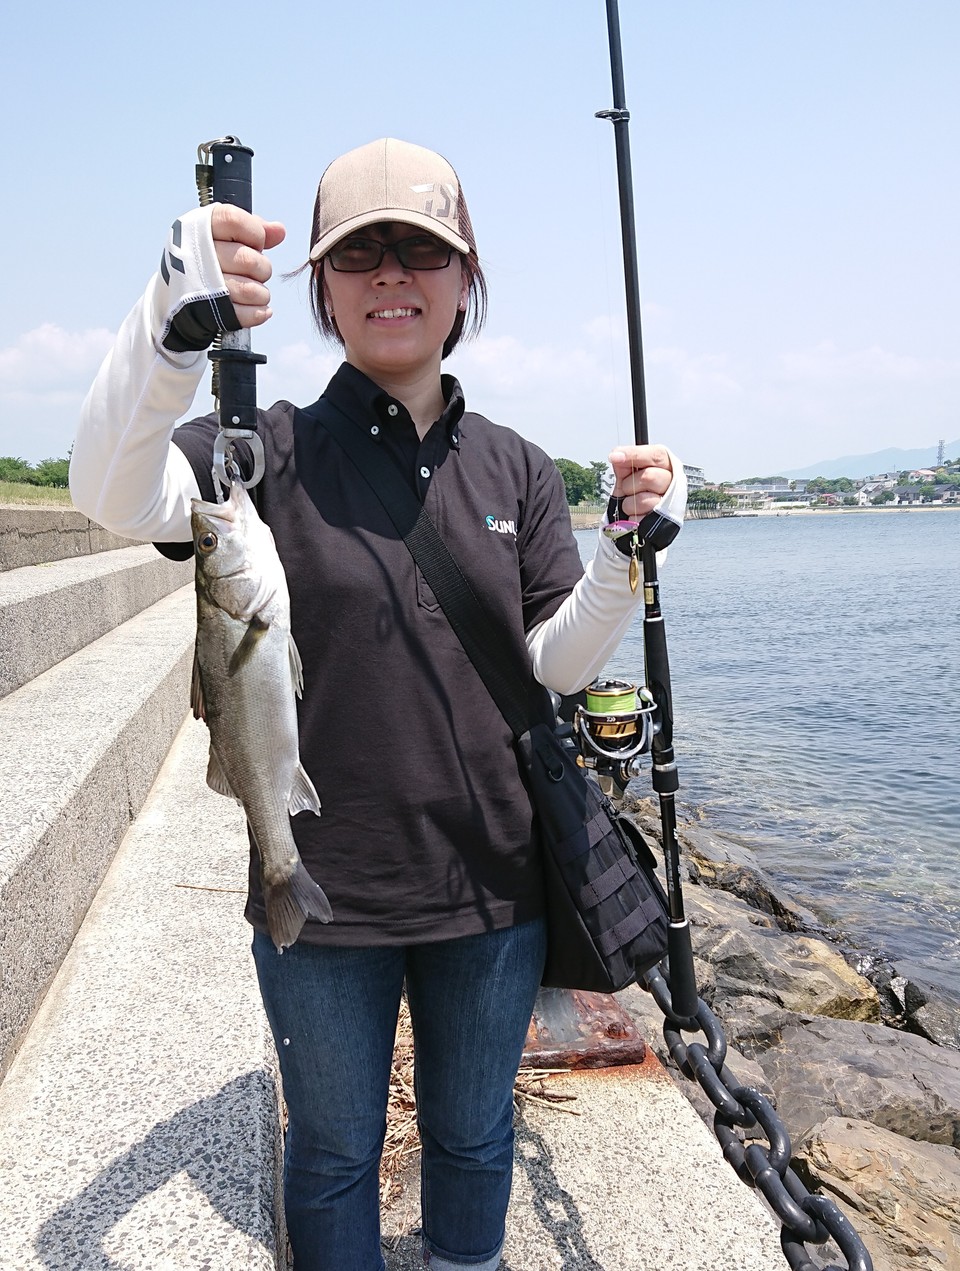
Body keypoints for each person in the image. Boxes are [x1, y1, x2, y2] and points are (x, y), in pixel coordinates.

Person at [71, 137, 686, 1271]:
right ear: (320, 286)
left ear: (466, 283)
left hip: (494, 889)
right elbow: (109, 490)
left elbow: (554, 661)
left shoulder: (516, 467)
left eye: (422, 251)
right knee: (339, 1148)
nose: (392, 276)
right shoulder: (266, 452)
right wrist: (167, 316)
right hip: (322, 889)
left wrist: (621, 554)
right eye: (361, 254)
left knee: (472, 1134)